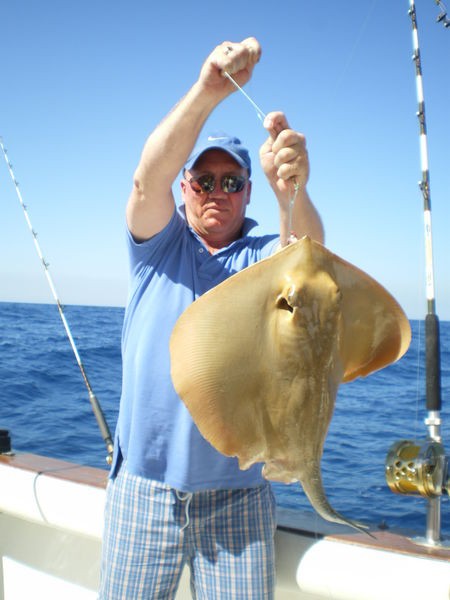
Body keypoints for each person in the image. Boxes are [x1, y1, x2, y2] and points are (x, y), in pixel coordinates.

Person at [99, 37, 324, 600]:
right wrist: (208, 90)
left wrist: (292, 192)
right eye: (203, 180)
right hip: (143, 490)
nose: (215, 192)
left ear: (248, 192)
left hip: (239, 497)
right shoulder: (158, 246)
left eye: (231, 182)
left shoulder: (262, 257)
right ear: (185, 188)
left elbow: (310, 264)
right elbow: (145, 181)